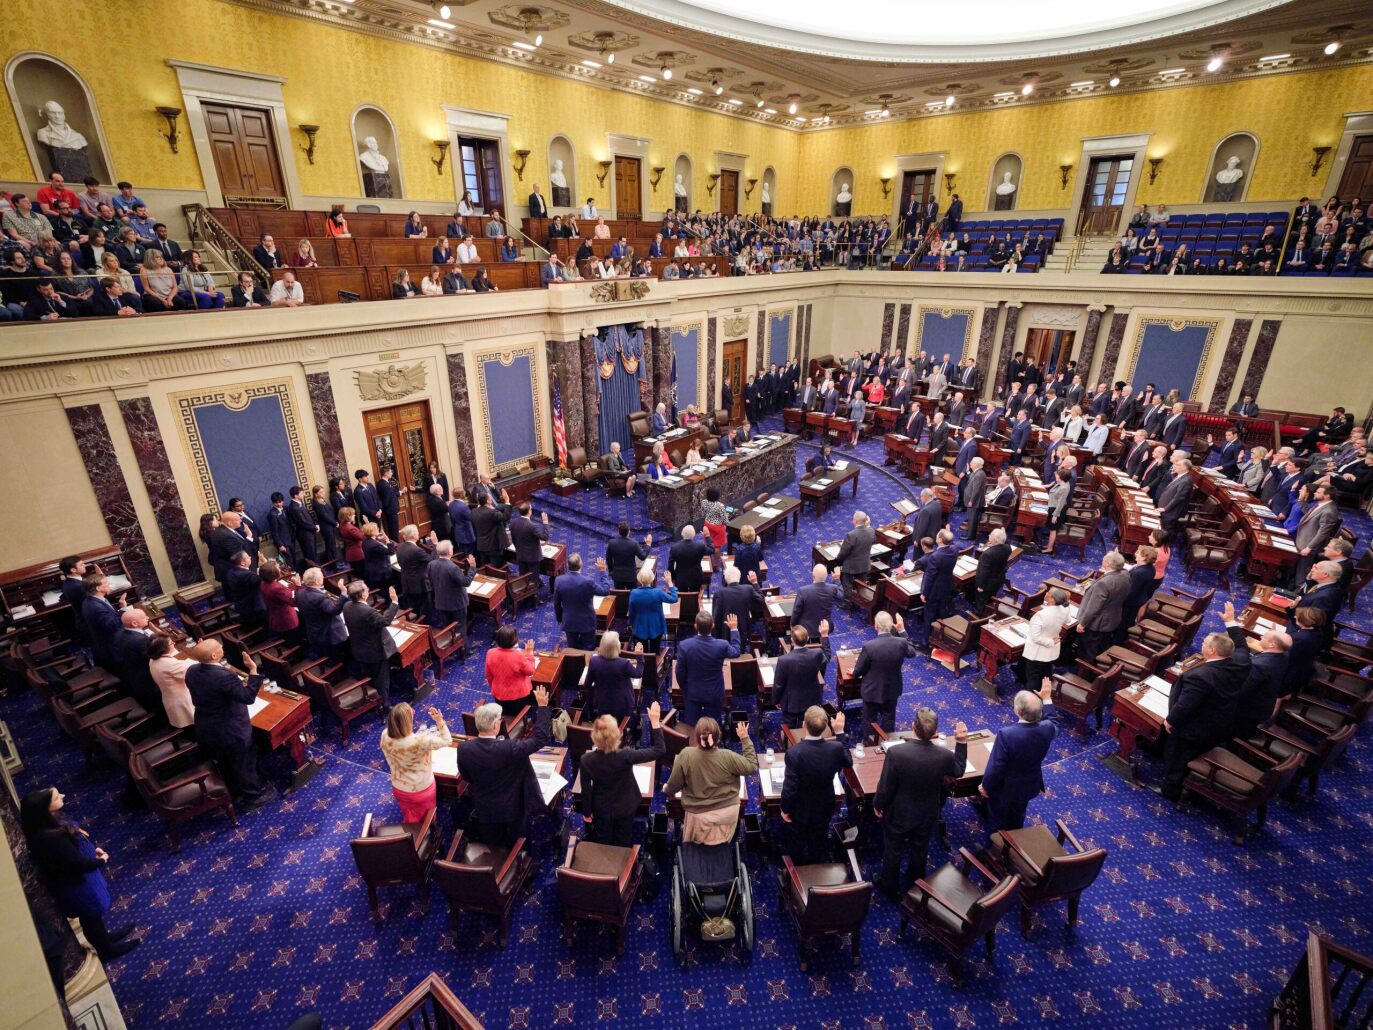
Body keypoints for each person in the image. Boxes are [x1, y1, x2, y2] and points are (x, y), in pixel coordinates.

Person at [22, 787, 140, 961]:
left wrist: (92, 851)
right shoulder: (50, 838)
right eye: (56, 797)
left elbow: (74, 846)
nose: (63, 795)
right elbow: (77, 864)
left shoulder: (49, 823)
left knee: (93, 915)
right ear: (44, 808)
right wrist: (102, 860)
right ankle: (107, 950)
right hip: (75, 885)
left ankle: (106, 938)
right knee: (90, 915)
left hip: (78, 879)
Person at [873, 707, 968, 898]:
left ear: (913, 727)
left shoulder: (896, 753)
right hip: (928, 812)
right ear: (935, 733)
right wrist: (961, 742)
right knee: (920, 849)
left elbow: (886, 786)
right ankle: (915, 884)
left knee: (893, 849)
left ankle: (889, 885)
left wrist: (878, 804)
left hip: (900, 812)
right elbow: (958, 770)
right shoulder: (944, 755)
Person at [1159, 630, 1251, 800]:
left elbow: (1186, 705)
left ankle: (1170, 791)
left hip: (1193, 727)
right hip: (1217, 723)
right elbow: (1243, 650)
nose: (1201, 644)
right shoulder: (1239, 666)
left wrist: (1170, 720)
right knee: (1194, 753)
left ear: (1212, 651)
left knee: (1178, 758)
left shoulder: (1200, 677)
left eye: (1204, 643)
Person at [456, 689, 553, 846]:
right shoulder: (510, 748)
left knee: (492, 844)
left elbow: (467, 777)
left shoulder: (464, 748)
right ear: (496, 726)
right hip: (514, 808)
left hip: (485, 808)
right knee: (519, 843)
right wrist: (542, 707)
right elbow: (540, 739)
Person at [186, 639, 271, 809]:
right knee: (243, 761)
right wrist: (253, 670)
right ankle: (253, 797)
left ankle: (235, 790)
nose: (223, 649)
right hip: (230, 727)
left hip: (206, 724)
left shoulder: (192, 670)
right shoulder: (223, 676)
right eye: (220, 648)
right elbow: (247, 697)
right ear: (214, 655)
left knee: (225, 761)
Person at [579, 700, 665, 846]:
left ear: (594, 736)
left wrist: (587, 813)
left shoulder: (586, 760)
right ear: (616, 735)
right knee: (623, 839)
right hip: (626, 805)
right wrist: (655, 723)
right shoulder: (626, 755)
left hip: (602, 808)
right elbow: (659, 750)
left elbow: (586, 791)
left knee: (603, 840)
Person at [665, 717, 757, 845]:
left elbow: (673, 786)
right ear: (718, 737)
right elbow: (751, 766)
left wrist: (666, 788)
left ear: (696, 737)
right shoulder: (728, 756)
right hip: (727, 814)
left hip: (698, 818)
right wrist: (745, 738)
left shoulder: (685, 755)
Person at [779, 706, 851, 863]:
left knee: (796, 843)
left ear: (804, 724)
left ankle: (797, 869)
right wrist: (840, 732)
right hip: (825, 805)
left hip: (800, 809)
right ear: (826, 727)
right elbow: (848, 761)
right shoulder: (836, 748)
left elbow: (790, 787)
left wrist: (785, 809)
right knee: (819, 841)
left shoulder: (794, 753)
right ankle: (816, 865)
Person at [979, 689, 1056, 832]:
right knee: (1018, 816)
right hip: (1029, 785)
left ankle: (995, 850)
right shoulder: (1048, 728)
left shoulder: (1007, 734)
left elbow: (996, 767)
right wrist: (1047, 699)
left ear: (1017, 710)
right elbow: (1053, 721)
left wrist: (985, 786)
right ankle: (1014, 843)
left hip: (1004, 789)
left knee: (997, 820)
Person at [853, 611, 919, 742]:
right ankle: (887, 744)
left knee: (869, 721)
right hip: (892, 689)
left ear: (876, 626)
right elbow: (912, 652)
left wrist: (854, 671)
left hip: (872, 690)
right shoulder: (901, 643)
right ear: (892, 626)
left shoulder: (869, 646)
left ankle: (869, 743)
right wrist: (902, 630)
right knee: (889, 719)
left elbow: (858, 671)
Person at [380, 702, 450, 822]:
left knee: (409, 813)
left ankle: (411, 832)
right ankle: (428, 834)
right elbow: (447, 740)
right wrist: (439, 720)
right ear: (408, 722)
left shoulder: (385, 734)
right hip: (421, 789)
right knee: (427, 819)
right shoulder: (420, 740)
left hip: (399, 787)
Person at [675, 611, 741, 725]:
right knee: (713, 724)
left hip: (692, 692)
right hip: (714, 692)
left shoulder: (685, 645)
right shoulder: (722, 645)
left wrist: (685, 688)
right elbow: (736, 652)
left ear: (695, 626)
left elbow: (679, 673)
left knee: (692, 725)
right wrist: (734, 629)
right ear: (713, 626)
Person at [342, 580, 400, 709]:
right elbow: (385, 621)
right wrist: (394, 602)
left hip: (359, 648)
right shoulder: (367, 611)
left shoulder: (346, 606)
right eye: (367, 589)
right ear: (363, 595)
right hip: (375, 651)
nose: (368, 591)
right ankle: (385, 703)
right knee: (382, 678)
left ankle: (374, 697)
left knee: (370, 674)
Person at [773, 622, 832, 728]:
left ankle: (790, 742)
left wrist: (776, 700)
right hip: (811, 698)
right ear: (808, 638)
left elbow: (779, 684)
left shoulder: (783, 660)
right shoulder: (817, 654)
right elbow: (827, 656)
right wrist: (824, 635)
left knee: (789, 728)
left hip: (790, 701)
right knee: (807, 727)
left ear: (792, 640)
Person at [1076, 551, 1129, 659]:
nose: (1102, 561)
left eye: (1104, 559)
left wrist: (1082, 623)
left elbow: (1093, 608)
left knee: (1088, 651)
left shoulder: (1104, 583)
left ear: (1108, 564)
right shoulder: (1125, 575)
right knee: (1100, 647)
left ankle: (1084, 672)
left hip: (1097, 623)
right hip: (1112, 619)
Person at [584, 629, 643, 725]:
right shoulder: (624, 663)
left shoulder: (594, 661)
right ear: (617, 646)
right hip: (623, 704)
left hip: (602, 703)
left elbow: (587, 684)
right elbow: (638, 673)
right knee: (623, 725)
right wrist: (640, 656)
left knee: (606, 728)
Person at [296, 567, 348, 663]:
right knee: (335, 657)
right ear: (316, 581)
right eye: (322, 577)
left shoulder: (300, 593)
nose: (323, 578)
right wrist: (344, 593)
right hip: (329, 634)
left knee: (325, 654)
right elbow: (335, 610)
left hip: (314, 631)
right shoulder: (320, 598)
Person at [485, 624, 537, 717]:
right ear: (514, 640)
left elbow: (489, 675)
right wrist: (529, 653)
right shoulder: (518, 656)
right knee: (520, 716)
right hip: (519, 696)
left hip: (499, 694)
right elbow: (530, 671)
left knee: (504, 715)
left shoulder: (490, 653)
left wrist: (494, 688)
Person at [627, 566, 677, 654]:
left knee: (642, 653)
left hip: (640, 627)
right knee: (655, 651)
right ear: (652, 579)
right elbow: (674, 598)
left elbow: (631, 612)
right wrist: (669, 582)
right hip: (656, 626)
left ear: (639, 579)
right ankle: (654, 665)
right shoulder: (658, 592)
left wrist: (631, 624)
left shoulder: (634, 593)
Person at [259, 561, 303, 645]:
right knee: (294, 641)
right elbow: (294, 602)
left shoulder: (263, 583)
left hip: (275, 617)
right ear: (274, 573)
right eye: (278, 568)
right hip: (286, 620)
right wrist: (298, 586)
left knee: (286, 638)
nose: (280, 569)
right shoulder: (276, 588)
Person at [836, 510, 875, 594]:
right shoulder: (871, 531)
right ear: (866, 521)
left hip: (851, 566)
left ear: (855, 521)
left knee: (847, 586)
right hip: (864, 564)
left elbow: (843, 553)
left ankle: (847, 604)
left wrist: (838, 560)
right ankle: (858, 603)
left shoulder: (851, 535)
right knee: (861, 586)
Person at [605, 521, 651, 590]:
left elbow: (608, 559)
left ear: (619, 531)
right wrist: (648, 545)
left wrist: (611, 571)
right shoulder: (634, 543)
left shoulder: (611, 543)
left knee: (619, 596)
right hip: (631, 576)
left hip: (617, 576)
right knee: (632, 595)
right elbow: (642, 557)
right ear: (629, 531)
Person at [508, 502, 549, 577]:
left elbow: (513, 539)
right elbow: (545, 537)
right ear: (529, 512)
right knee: (533, 579)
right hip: (532, 557)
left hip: (520, 555)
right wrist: (545, 522)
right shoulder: (532, 526)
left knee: (523, 578)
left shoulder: (513, 523)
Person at [667, 524, 712, 593]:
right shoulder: (700, 546)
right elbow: (711, 550)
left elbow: (670, 565)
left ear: (682, 534)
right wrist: (707, 536)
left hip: (680, 578)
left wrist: (673, 578)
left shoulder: (674, 547)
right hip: (696, 577)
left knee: (681, 597)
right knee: (695, 597)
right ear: (694, 534)